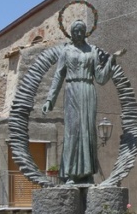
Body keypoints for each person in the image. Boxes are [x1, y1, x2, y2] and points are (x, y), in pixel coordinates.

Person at [41, 20, 123, 184]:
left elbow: (100, 78)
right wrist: (50, 99)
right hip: (72, 90)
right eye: (76, 31)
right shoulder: (66, 51)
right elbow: (58, 76)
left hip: (88, 90)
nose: (78, 34)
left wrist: (112, 60)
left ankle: (87, 174)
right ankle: (71, 174)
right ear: (71, 33)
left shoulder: (92, 51)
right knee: (73, 130)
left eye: (81, 31)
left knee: (88, 131)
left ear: (85, 32)